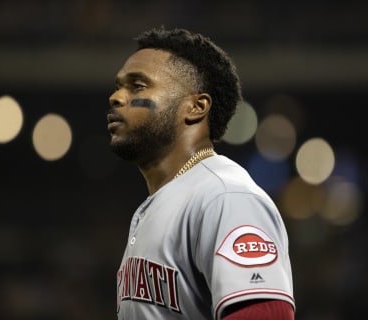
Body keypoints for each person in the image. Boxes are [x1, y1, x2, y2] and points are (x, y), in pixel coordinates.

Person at [107, 27, 295, 320]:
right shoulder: (161, 203)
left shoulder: (224, 196)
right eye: (118, 86)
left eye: (138, 86)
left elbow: (267, 314)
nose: (117, 97)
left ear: (196, 107)